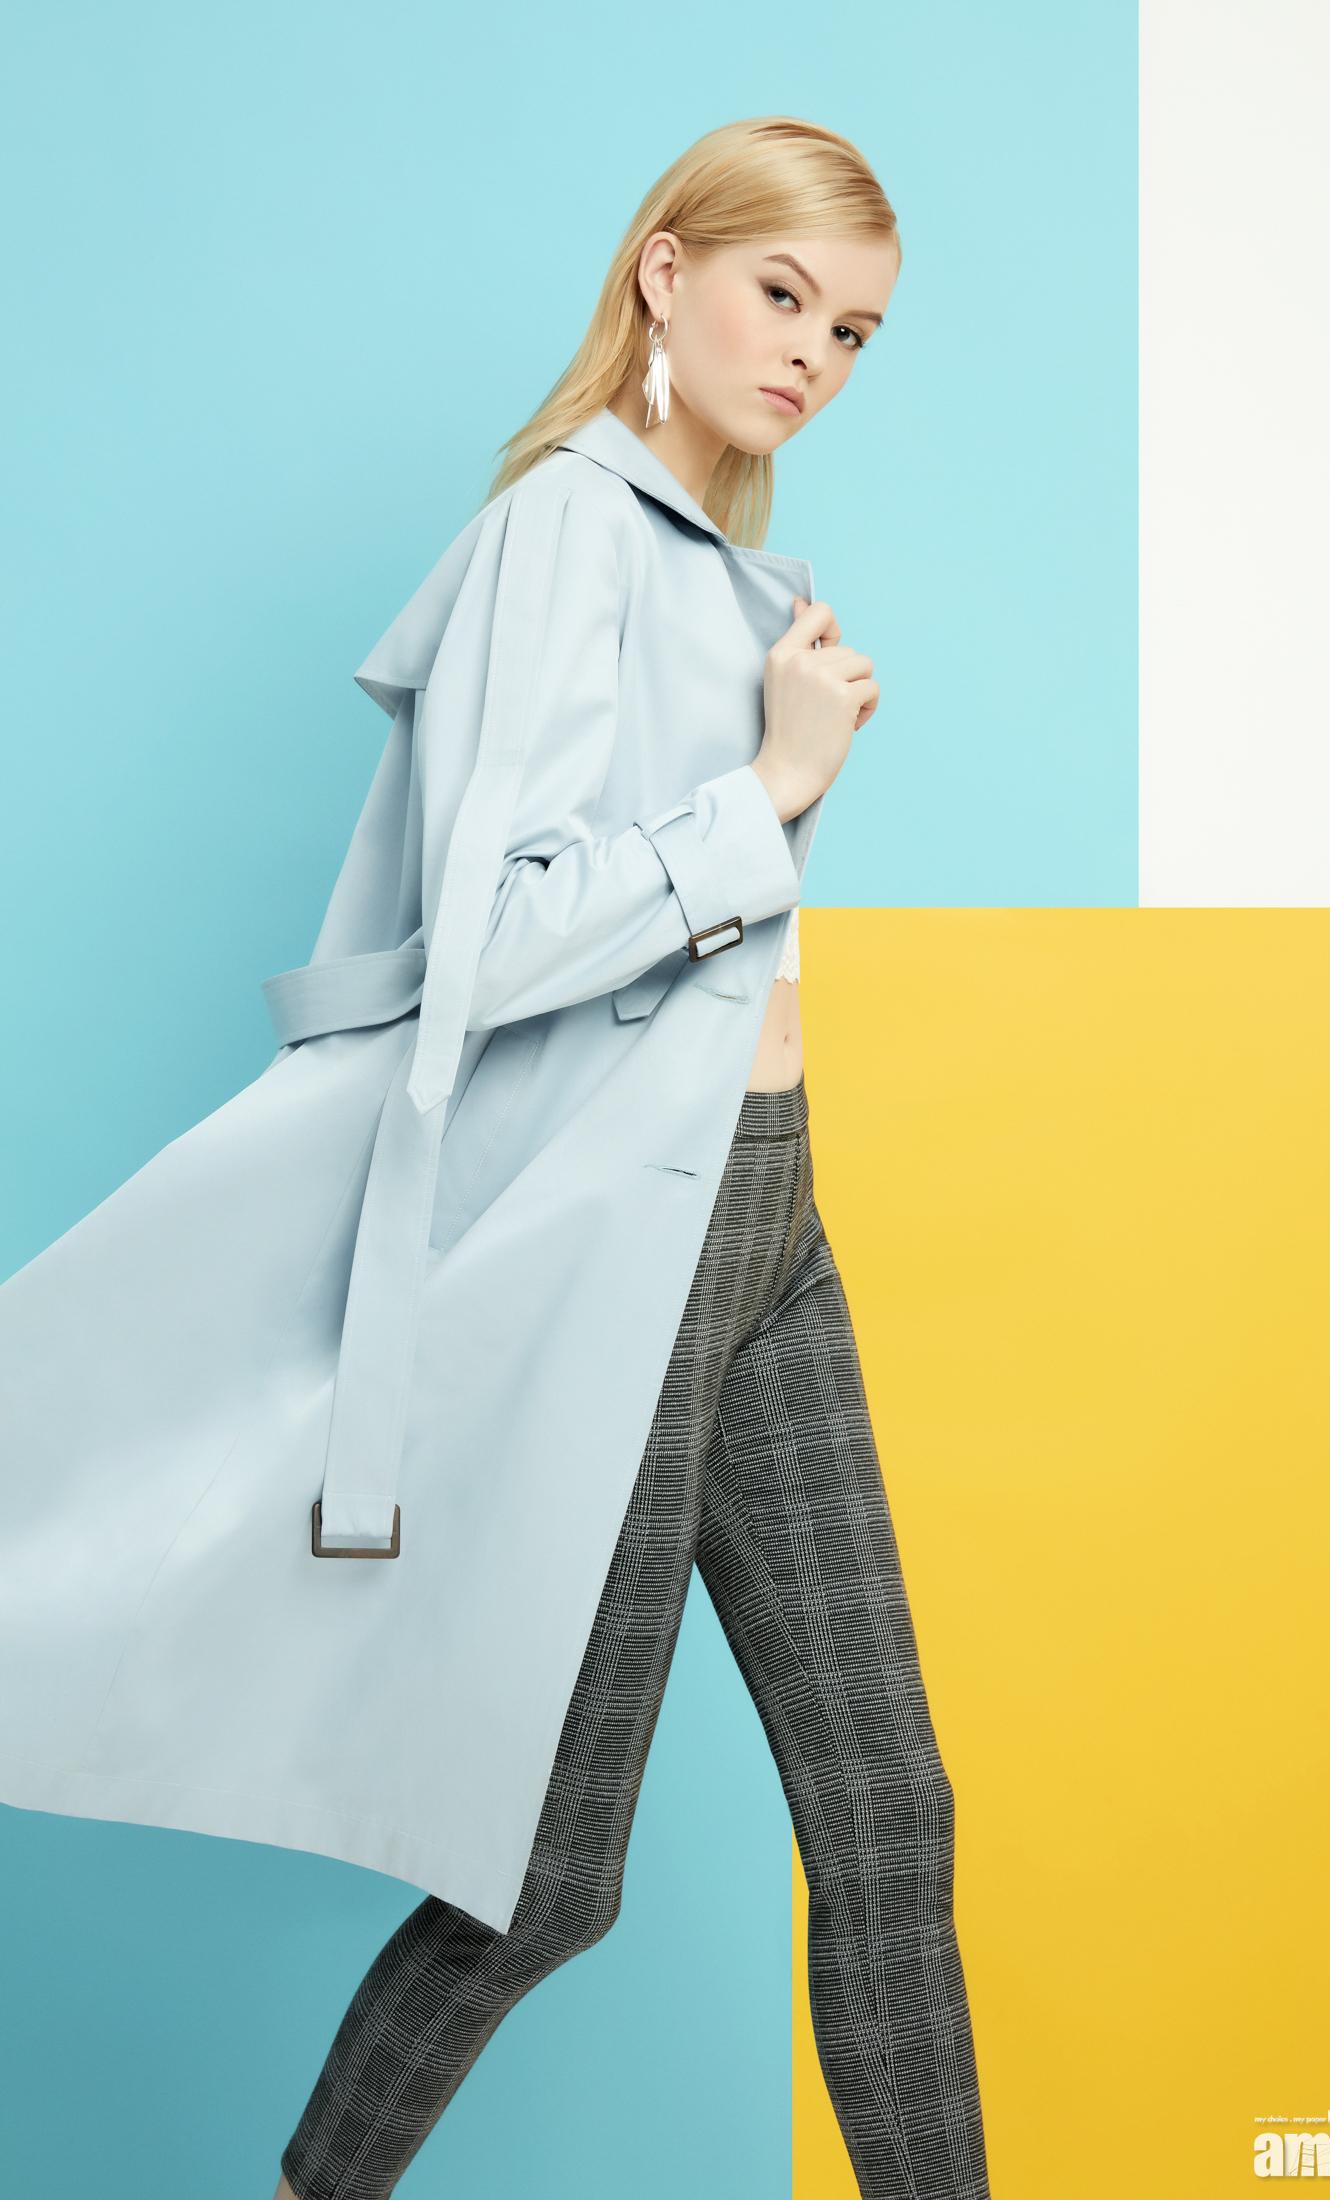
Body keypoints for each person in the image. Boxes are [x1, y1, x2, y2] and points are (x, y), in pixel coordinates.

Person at [273, 118, 994, 2200]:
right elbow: (488, 938)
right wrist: (770, 787)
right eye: (782, 296)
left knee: (890, 1813)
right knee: (549, 1879)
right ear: (664, 269)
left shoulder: (719, 561)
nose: (814, 356)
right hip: (635, 1257)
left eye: (851, 331)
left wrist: (776, 777)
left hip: (770, 1218)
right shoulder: (560, 534)